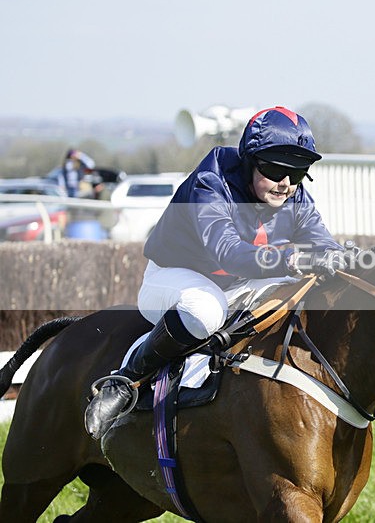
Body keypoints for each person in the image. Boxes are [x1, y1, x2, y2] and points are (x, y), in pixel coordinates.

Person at [85, 106, 348, 439]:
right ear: (249, 160)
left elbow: (323, 244)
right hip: (174, 277)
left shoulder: (295, 196)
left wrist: (344, 259)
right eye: (275, 169)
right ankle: (125, 380)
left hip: (237, 284)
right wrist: (293, 260)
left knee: (294, 292)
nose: (286, 183)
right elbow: (231, 254)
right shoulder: (211, 183)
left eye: (297, 173)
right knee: (207, 311)